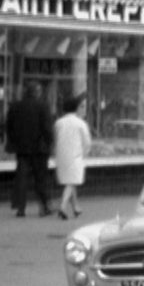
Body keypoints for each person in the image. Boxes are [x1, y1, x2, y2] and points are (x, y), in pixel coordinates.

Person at [5, 81, 54, 218]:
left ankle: (20, 208)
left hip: (22, 149)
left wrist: (13, 142)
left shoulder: (15, 106)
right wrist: (50, 143)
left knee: (21, 179)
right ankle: (44, 207)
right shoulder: (43, 106)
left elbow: (9, 126)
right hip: (39, 149)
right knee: (41, 178)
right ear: (37, 93)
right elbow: (46, 128)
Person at [54, 92, 91, 220]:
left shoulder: (59, 123)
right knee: (71, 182)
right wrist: (85, 153)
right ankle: (63, 206)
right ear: (76, 108)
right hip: (76, 156)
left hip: (61, 155)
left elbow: (55, 138)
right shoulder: (81, 123)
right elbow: (87, 142)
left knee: (70, 181)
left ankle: (76, 207)